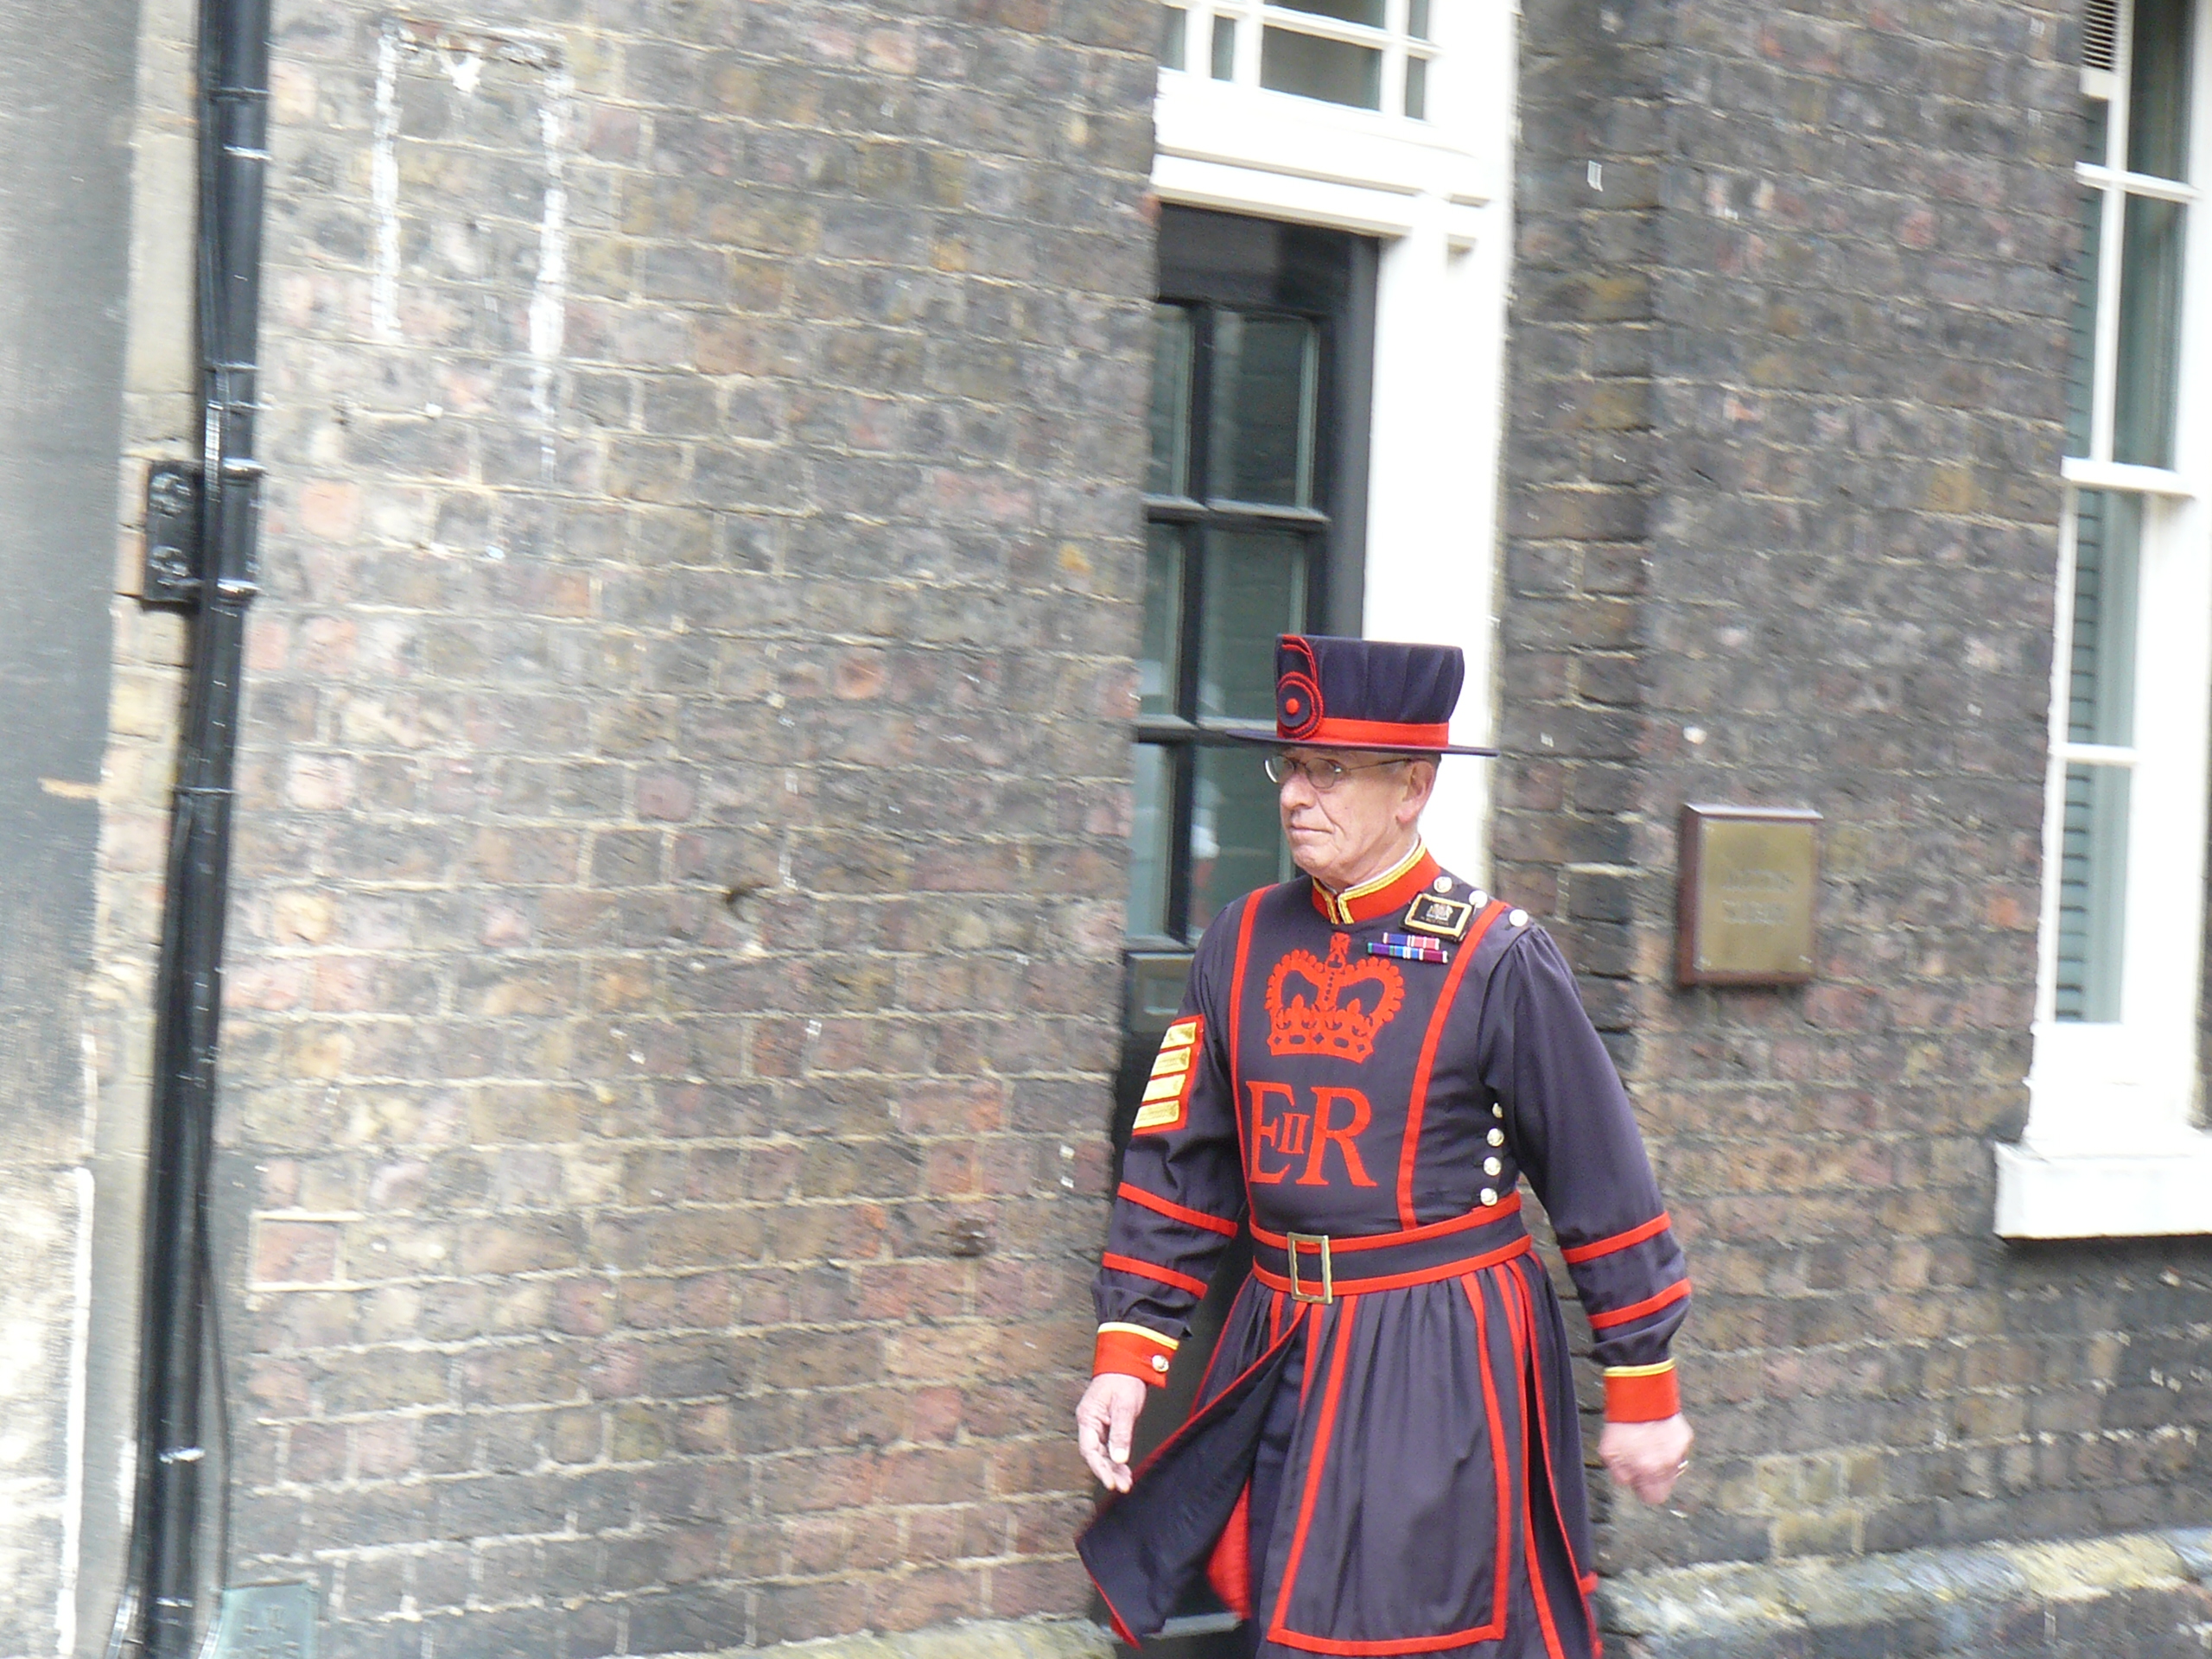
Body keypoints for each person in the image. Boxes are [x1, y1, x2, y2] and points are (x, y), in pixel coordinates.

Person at [1075, 634, 1693, 1659]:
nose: (1294, 796)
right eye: (1291, 766)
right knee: (1283, 1618)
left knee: (1404, 1637)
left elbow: (1601, 1179)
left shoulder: (1496, 956)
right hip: (1277, 1344)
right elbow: (1179, 1164)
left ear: (1411, 787)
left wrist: (1642, 1387)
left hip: (1435, 1352)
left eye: (1330, 772)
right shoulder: (1238, 940)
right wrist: (1130, 1354)